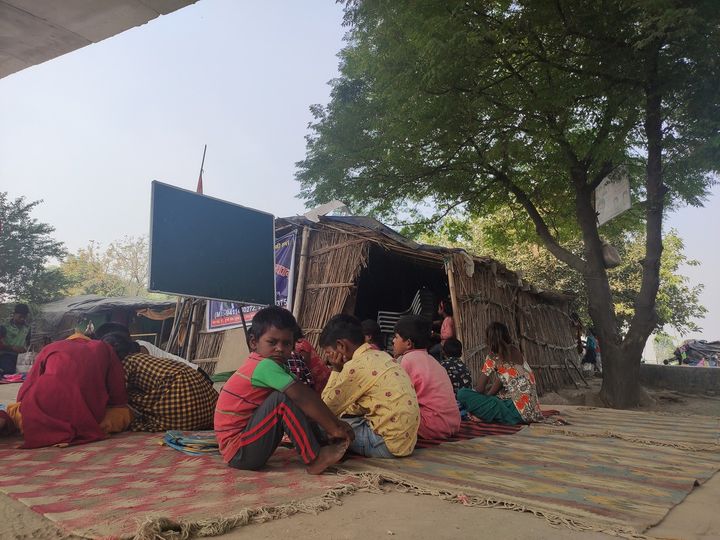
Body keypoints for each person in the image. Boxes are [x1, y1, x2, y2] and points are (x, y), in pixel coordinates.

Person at [214, 306, 353, 473]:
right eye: (272, 342)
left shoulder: (279, 367)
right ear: (253, 342)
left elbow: (307, 396)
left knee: (299, 398)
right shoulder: (263, 365)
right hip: (239, 452)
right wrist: (334, 427)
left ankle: (324, 445)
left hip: (249, 442)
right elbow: (301, 397)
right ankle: (314, 458)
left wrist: (336, 424)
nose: (280, 348)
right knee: (284, 399)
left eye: (286, 343)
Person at [0, 333, 130, 448]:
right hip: (84, 419)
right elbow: (118, 397)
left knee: (14, 411)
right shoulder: (104, 348)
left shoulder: (50, 347)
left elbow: (25, 390)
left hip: (34, 418)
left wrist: (24, 408)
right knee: (124, 413)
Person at [320, 314, 420, 458]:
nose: (328, 359)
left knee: (321, 424)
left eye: (329, 353)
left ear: (341, 345)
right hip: (406, 443)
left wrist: (336, 369)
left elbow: (325, 409)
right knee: (347, 419)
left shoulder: (354, 367)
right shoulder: (383, 355)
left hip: (385, 445)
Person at [100, 329, 218, 432]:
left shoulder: (124, 364)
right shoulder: (140, 353)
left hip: (184, 400)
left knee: (126, 400)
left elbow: (116, 396)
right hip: (207, 400)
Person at [457, 322, 544, 425]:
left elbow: (479, 388)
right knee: (493, 399)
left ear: (488, 340)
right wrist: (488, 398)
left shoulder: (492, 357)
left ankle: (484, 415)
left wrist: (481, 399)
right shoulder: (515, 351)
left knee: (462, 393)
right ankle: (486, 414)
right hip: (533, 413)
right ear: (507, 335)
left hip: (515, 413)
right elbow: (502, 380)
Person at [393, 315, 460, 440]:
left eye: (396, 337)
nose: (393, 341)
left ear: (408, 343)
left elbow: (396, 396)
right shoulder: (432, 360)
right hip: (453, 423)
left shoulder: (407, 360)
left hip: (432, 425)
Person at [293, 328, 331, 393]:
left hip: (321, 382)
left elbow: (304, 371)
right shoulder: (302, 342)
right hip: (322, 379)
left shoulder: (300, 346)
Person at [0, 304, 31, 375]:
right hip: (6, 355)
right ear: (14, 314)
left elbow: (28, 343)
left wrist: (26, 349)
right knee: (7, 372)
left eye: (24, 317)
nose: (22, 319)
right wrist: (12, 347)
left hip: (21, 358)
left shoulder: (27, 328)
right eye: (20, 316)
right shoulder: (4, 327)